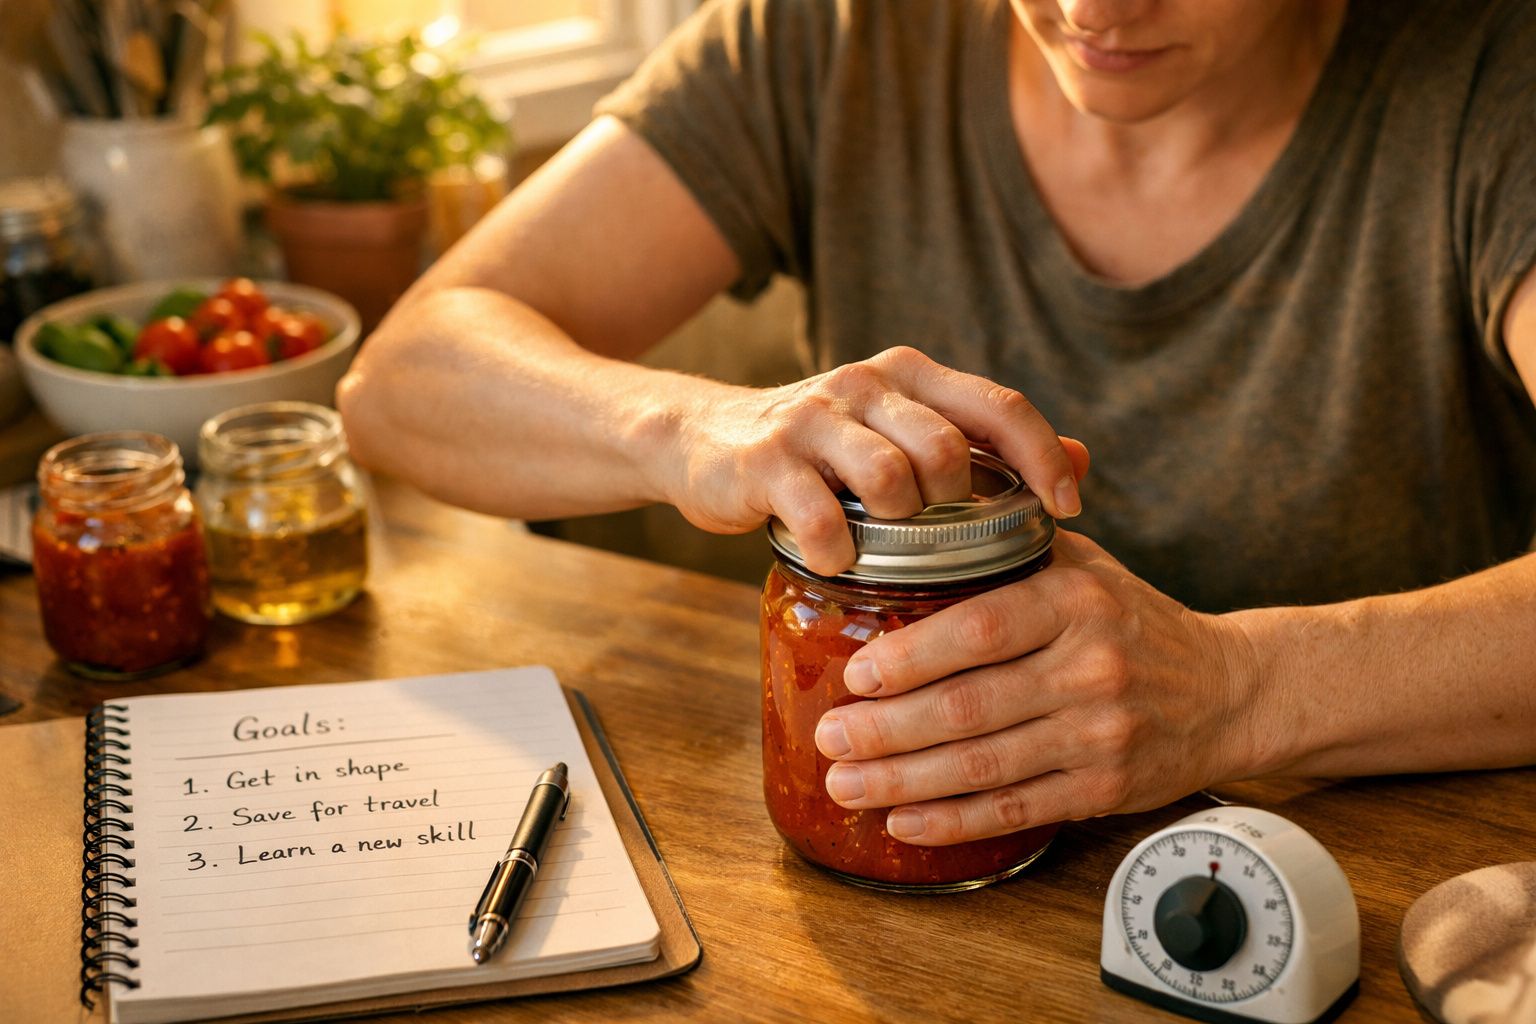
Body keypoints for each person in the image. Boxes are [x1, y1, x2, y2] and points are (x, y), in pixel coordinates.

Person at [338, 0, 1536, 849]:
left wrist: (1240, 690)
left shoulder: (1491, 73)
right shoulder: (836, 34)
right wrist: (689, 427)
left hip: (1375, 874)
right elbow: (400, 384)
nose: (1093, 8)